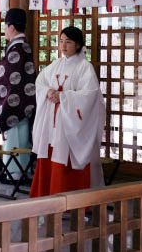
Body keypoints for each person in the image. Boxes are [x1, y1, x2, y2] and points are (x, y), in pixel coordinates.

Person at [29, 26, 106, 197]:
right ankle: (47, 196)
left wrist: (63, 97)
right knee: (51, 154)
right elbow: (40, 81)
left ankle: (71, 201)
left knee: (67, 157)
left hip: (70, 123)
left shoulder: (85, 67)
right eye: (61, 41)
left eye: (68, 42)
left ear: (78, 45)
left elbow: (90, 95)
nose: (63, 45)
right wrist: (49, 92)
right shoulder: (56, 64)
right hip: (53, 121)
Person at [0, 8, 37, 178]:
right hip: (24, 102)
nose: (5, 31)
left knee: (16, 138)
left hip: (14, 104)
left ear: (10, 27)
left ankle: (15, 173)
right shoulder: (24, 47)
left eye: (5, 26)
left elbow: (3, 74)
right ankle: (21, 171)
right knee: (22, 137)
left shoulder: (17, 48)